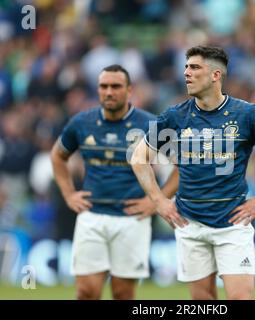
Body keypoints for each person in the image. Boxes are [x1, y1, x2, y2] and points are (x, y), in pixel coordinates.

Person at [131, 46, 255, 300]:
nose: (186, 73)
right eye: (186, 67)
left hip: (232, 223)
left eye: (195, 67)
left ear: (215, 75)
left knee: (240, 298)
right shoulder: (174, 116)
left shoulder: (248, 114)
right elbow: (138, 157)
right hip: (189, 223)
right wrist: (159, 201)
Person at [51, 64, 178, 300]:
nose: (109, 92)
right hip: (92, 215)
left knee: (123, 294)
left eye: (116, 86)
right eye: (104, 86)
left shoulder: (151, 124)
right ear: (98, 89)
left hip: (132, 218)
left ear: (129, 90)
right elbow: (58, 155)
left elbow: (182, 165)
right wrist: (68, 194)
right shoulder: (81, 122)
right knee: (86, 292)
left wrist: (156, 201)